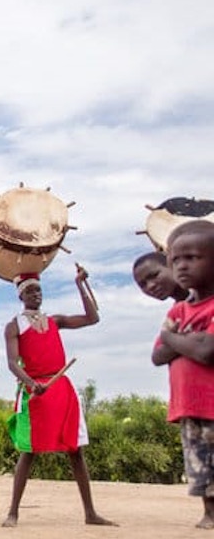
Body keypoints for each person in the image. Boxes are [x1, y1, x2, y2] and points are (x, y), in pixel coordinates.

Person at [1, 267, 116, 528]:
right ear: (21, 296)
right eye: (30, 291)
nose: (36, 294)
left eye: (38, 289)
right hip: (35, 392)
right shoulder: (13, 326)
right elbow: (11, 363)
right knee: (28, 451)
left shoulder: (56, 321)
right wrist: (31, 384)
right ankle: (13, 512)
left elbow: (92, 318)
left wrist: (80, 284)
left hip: (61, 389)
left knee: (76, 451)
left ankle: (90, 513)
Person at [152, 219, 214, 529]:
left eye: (192, 257)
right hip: (189, 405)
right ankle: (210, 512)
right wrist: (190, 340)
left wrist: (175, 339)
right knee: (199, 461)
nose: (182, 265)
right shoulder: (178, 311)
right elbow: (157, 354)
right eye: (176, 259)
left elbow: (207, 351)